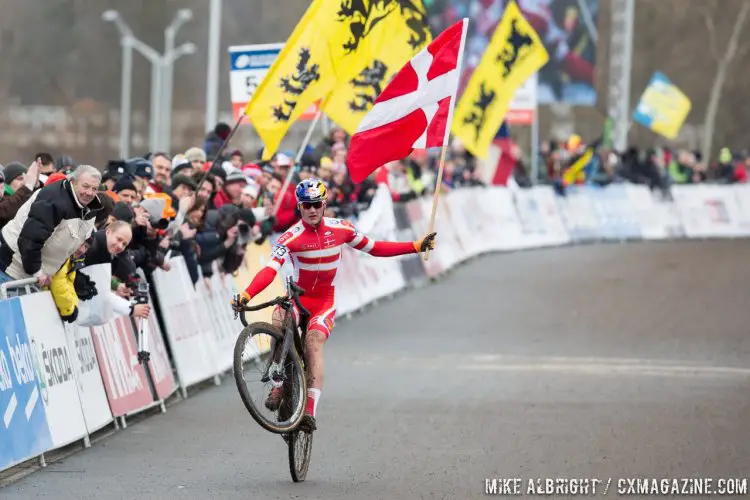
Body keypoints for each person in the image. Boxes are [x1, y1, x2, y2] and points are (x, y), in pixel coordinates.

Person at [231, 178, 436, 433]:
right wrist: (247, 295)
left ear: (324, 203)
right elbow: (270, 271)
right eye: (306, 205)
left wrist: (415, 246)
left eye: (316, 204)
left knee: (312, 344)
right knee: (278, 322)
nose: (312, 210)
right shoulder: (290, 237)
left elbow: (375, 248)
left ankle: (308, 413)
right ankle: (279, 378)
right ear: (299, 207)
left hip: (323, 303)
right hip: (296, 298)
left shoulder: (342, 229)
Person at [0, 164, 103, 286]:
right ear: (73, 182)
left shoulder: (90, 208)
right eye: (85, 186)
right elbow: (30, 239)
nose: (89, 193)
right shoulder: (53, 200)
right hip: (12, 266)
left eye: (94, 189)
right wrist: (37, 271)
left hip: (34, 275)